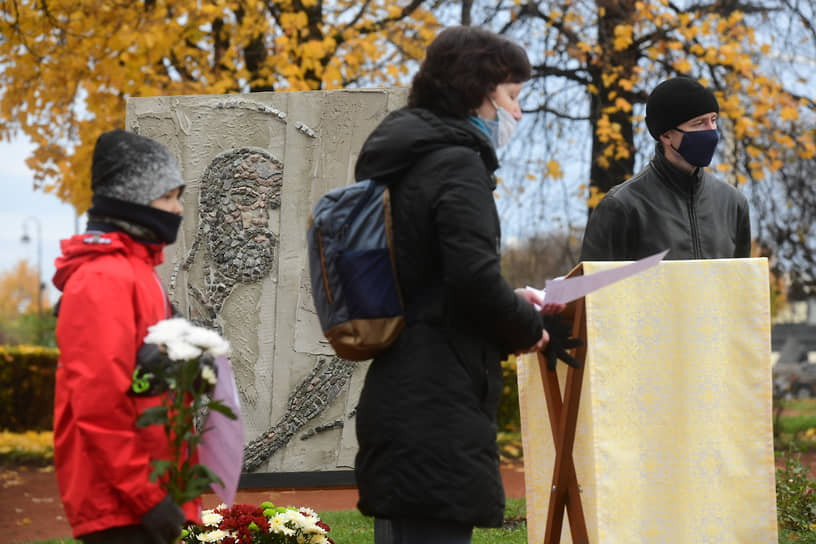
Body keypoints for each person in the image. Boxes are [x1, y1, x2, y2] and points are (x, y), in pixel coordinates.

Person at [352, 26, 575, 544]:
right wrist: (527, 324)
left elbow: (439, 281)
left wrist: (508, 303)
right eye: (513, 97)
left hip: (408, 392)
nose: (517, 113)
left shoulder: (414, 160)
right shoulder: (456, 164)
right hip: (437, 403)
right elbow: (472, 280)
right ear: (479, 90)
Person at [52, 129, 198, 543]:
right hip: (121, 505)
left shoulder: (138, 273)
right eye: (167, 197)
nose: (178, 208)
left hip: (149, 492)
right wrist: (147, 498)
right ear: (132, 199)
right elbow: (99, 405)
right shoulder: (103, 279)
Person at [580, 76, 751, 261]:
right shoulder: (623, 207)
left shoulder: (733, 203)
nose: (711, 132)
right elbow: (592, 287)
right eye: (699, 123)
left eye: (713, 120)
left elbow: (741, 285)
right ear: (667, 136)